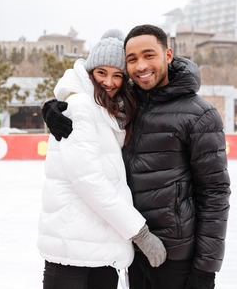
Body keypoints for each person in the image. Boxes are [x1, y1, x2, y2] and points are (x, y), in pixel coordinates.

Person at [42, 24, 231, 289]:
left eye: (149, 55)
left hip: (176, 255)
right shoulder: (127, 105)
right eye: (132, 59)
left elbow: (215, 194)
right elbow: (86, 90)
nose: (141, 65)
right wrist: (57, 105)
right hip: (130, 248)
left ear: (168, 55)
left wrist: (206, 270)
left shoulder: (200, 114)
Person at [37, 29, 167, 289]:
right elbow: (89, 180)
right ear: (89, 72)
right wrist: (139, 233)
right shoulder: (82, 106)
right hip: (73, 248)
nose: (109, 82)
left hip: (99, 244)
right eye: (101, 73)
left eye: (117, 75)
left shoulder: (111, 111)